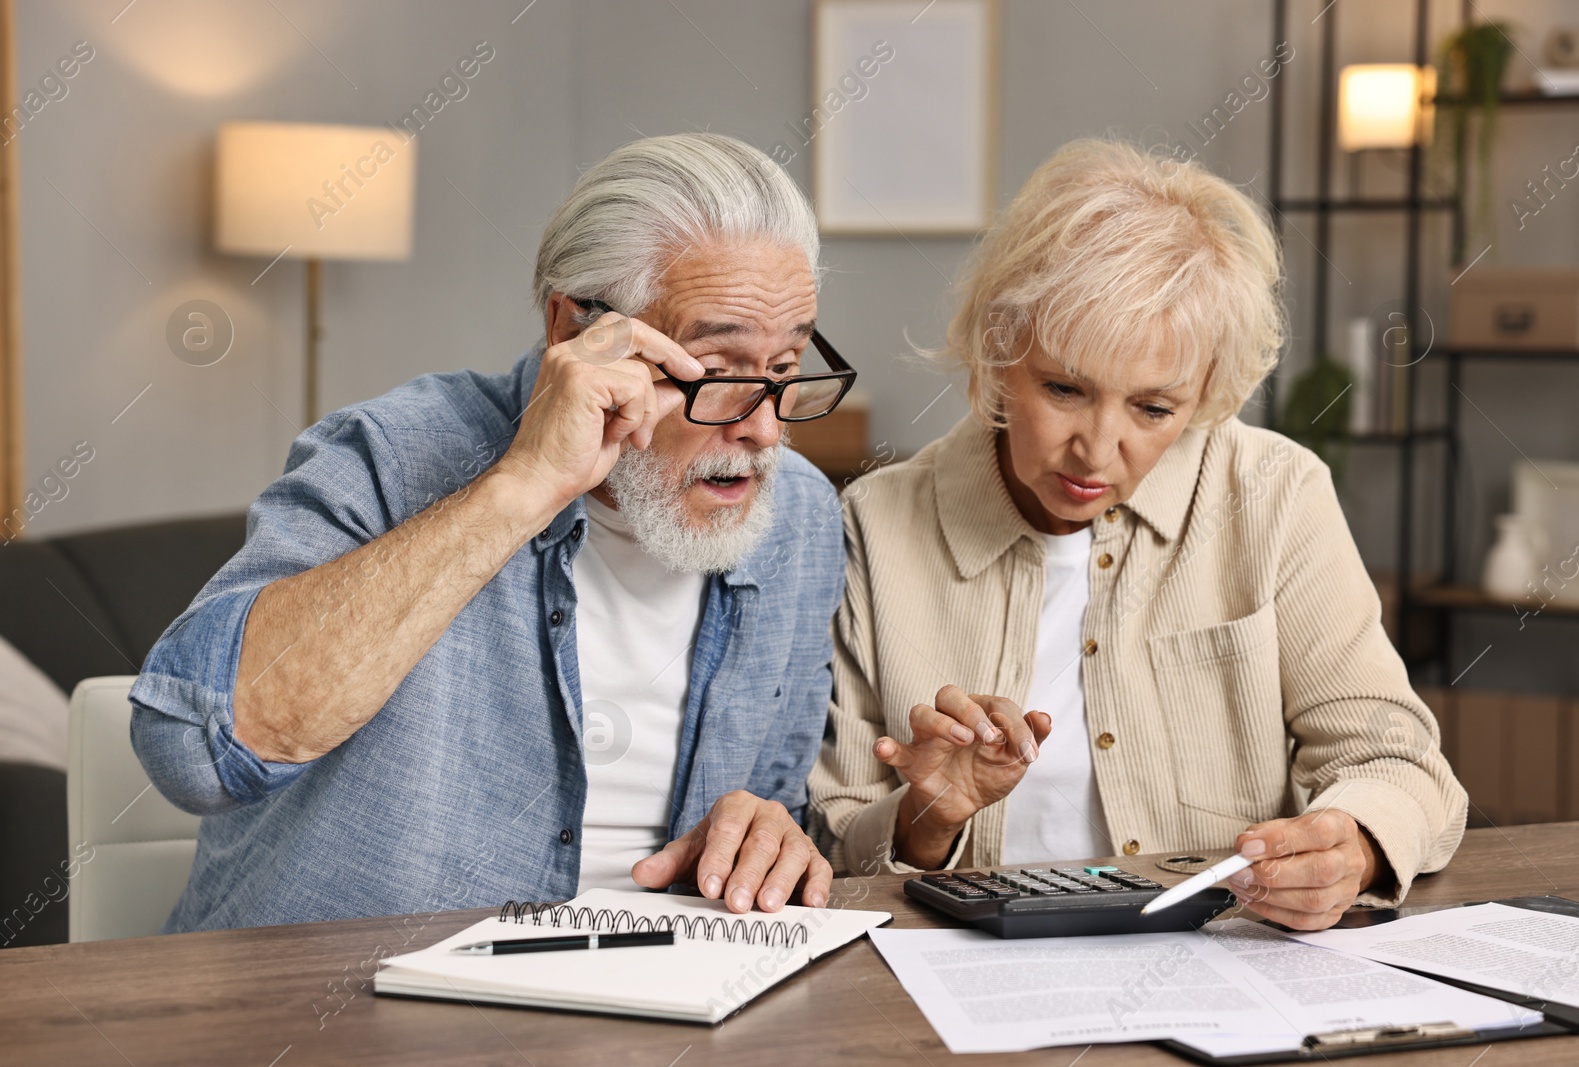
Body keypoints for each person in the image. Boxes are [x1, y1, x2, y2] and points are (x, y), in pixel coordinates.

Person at [131, 133, 853, 931]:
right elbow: (191, 754)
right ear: (572, 331)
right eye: (716, 373)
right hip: (335, 1018)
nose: (762, 431)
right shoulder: (389, 455)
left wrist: (769, 832)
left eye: (784, 372)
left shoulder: (802, 518)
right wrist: (523, 486)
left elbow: (776, 800)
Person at [808, 139, 1467, 931]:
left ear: (1204, 396)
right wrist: (930, 817)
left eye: (1154, 409)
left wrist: (1352, 846)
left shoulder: (1275, 494)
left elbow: (1398, 761)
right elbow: (835, 838)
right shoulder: (875, 526)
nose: (1095, 448)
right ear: (998, 353)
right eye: (1063, 388)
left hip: (1221, 968)